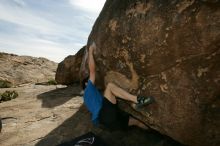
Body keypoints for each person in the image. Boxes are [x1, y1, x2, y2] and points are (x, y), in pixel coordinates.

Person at [82, 42, 154, 131]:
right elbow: (92, 71)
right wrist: (90, 50)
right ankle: (137, 100)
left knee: (135, 121)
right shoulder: (89, 87)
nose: (93, 81)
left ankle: (152, 132)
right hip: (105, 115)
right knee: (110, 87)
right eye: (88, 80)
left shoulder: (86, 98)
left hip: (108, 123)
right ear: (86, 84)